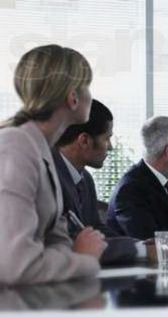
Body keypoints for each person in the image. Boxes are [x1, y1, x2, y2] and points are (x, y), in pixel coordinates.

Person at [0, 44, 106, 285]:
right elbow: (18, 265)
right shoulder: (16, 146)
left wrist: (69, 255)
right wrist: (86, 260)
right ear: (73, 98)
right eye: (87, 86)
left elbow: (58, 242)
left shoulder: (42, 149)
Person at [53, 99, 153, 265]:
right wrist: (141, 250)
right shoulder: (48, 177)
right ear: (84, 140)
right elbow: (72, 242)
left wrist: (140, 244)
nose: (111, 147)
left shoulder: (85, 178)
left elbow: (95, 229)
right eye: (107, 138)